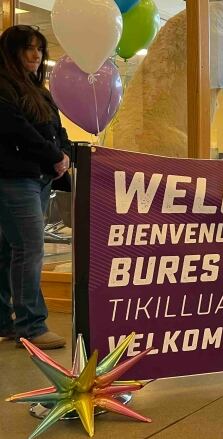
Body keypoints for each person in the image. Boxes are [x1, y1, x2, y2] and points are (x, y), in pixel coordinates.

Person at [0, 25, 71, 349]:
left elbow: (54, 129)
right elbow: (17, 129)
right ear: (11, 52)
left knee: (10, 251)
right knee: (29, 249)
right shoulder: (4, 86)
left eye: (39, 49)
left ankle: (6, 322)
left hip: (37, 179)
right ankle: (31, 326)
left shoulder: (37, 90)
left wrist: (65, 155)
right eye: (27, 48)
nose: (35, 55)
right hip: (15, 179)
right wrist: (54, 155)